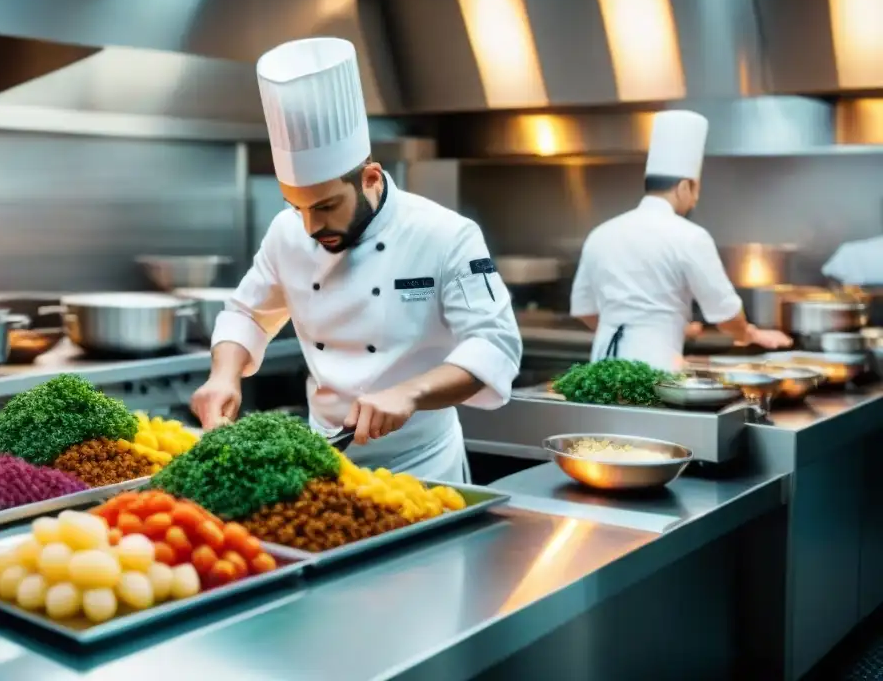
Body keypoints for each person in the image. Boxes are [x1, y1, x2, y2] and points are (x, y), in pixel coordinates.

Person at [190, 36, 522, 482]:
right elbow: (247, 313)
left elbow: (494, 345)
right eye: (296, 207)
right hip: (323, 461)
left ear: (369, 178)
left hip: (421, 465)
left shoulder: (445, 234)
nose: (310, 226)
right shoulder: (287, 233)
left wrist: (411, 392)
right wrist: (224, 377)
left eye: (326, 206)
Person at [570, 109, 792, 371]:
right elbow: (725, 314)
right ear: (684, 187)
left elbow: (584, 310)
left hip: (601, 370)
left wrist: (658, 327)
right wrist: (751, 334)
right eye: (695, 190)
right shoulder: (689, 236)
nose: (695, 199)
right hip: (657, 371)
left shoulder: (601, 233)